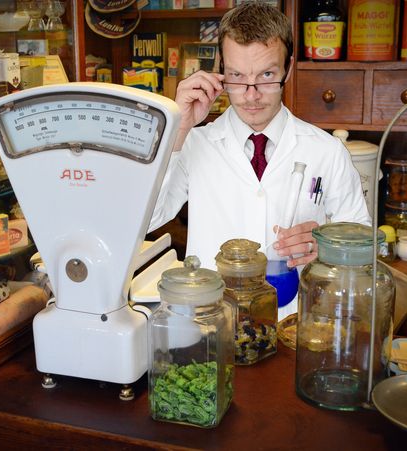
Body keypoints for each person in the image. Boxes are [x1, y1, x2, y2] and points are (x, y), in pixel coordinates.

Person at [149, 1, 370, 317]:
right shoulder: (193, 143)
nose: (251, 95)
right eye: (237, 76)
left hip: (296, 325)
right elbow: (151, 218)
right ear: (221, 70)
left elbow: (362, 246)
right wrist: (177, 127)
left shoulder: (326, 150)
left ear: (288, 68)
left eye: (266, 75)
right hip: (211, 326)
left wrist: (327, 246)